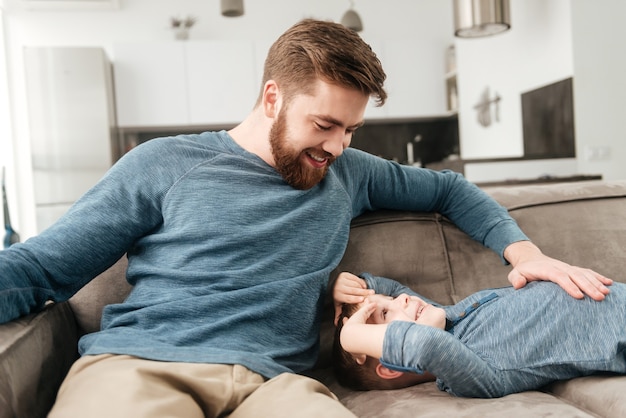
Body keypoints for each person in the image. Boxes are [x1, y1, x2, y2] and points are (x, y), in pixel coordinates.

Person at [0, 18, 612, 418]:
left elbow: (451, 191)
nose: (339, 146)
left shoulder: (349, 171)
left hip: (276, 385)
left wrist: (526, 256)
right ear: (273, 98)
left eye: (351, 128)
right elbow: (42, 267)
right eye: (325, 125)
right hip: (146, 363)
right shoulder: (164, 163)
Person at [334, 272, 626, 398]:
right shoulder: (466, 372)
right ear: (393, 363)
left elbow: (394, 290)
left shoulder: (445, 315)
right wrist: (351, 338)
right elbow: (423, 344)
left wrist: (352, 285)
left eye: (389, 301)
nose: (403, 300)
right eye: (385, 314)